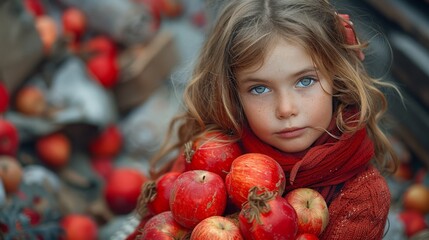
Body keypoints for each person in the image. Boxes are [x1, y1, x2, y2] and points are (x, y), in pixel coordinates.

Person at [143, 0, 401, 239]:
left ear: (336, 78)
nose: (286, 109)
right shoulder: (211, 154)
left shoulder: (361, 199)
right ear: (232, 94)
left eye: (305, 81)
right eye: (259, 88)